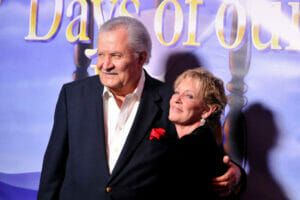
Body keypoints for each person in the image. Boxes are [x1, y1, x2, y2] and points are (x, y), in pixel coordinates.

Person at [37, 16, 244, 200]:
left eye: (116, 56)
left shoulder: (171, 101)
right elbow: (52, 172)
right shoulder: (72, 96)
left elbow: (209, 161)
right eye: (101, 55)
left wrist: (235, 174)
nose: (105, 65)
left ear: (141, 58)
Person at [164, 68, 235, 199]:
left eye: (188, 95)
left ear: (207, 110)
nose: (177, 99)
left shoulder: (193, 147)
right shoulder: (199, 140)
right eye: (177, 92)